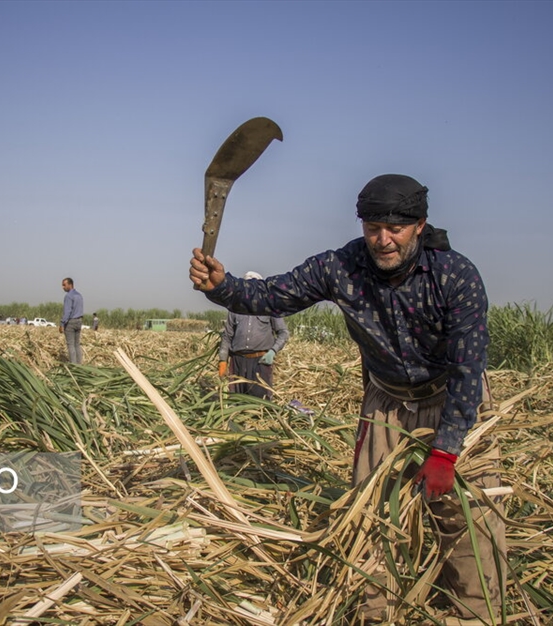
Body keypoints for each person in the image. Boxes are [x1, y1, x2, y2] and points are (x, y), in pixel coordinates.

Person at [190, 174, 505, 623]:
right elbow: (273, 294)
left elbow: (469, 368)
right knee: (373, 514)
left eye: (395, 228)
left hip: (450, 395)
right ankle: (379, 611)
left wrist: (447, 448)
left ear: (420, 225)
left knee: (466, 515)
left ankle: (477, 612)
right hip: (387, 401)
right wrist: (223, 286)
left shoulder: (456, 276)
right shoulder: (342, 267)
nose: (383, 240)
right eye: (373, 228)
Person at [218, 271, 290, 400]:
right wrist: (223, 359)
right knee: (237, 399)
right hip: (238, 361)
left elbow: (283, 333)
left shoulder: (270, 308)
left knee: (260, 400)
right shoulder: (234, 309)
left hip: (260, 361)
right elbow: (227, 336)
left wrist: (272, 352)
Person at [60, 277, 84, 364]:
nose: (63, 287)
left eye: (64, 285)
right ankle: (79, 365)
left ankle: (73, 366)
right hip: (79, 321)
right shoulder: (79, 295)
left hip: (71, 322)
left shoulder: (69, 296)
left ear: (70, 285)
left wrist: (62, 324)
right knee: (77, 344)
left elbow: (67, 312)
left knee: (71, 345)